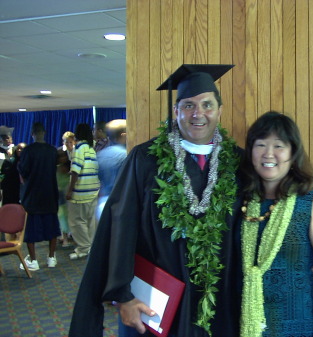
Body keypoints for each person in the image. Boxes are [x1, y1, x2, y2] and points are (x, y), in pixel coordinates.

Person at [69, 64, 243, 337]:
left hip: (218, 302)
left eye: (207, 105)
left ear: (219, 111)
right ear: (176, 112)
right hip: (157, 301)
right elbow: (120, 227)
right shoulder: (145, 159)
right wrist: (122, 295)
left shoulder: (238, 163)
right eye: (188, 105)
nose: (198, 114)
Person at [239, 111, 313, 337]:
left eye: (279, 146)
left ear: (292, 152)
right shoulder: (240, 202)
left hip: (301, 321)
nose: (268, 154)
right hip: (243, 318)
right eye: (260, 145)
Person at [18, 122, 60, 271]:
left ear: (32, 134)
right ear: (45, 132)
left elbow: (23, 171)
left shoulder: (28, 151)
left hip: (32, 195)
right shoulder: (52, 151)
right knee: (52, 228)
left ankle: (34, 261)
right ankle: (51, 258)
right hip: (50, 194)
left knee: (31, 231)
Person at [66, 124, 100, 260]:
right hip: (93, 189)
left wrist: (70, 190)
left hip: (81, 191)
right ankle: (91, 246)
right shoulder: (92, 149)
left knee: (76, 221)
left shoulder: (79, 148)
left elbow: (75, 170)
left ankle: (84, 248)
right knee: (90, 221)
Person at [96, 119, 127, 220]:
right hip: (123, 203)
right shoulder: (127, 156)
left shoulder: (100, 155)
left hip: (103, 202)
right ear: (123, 135)